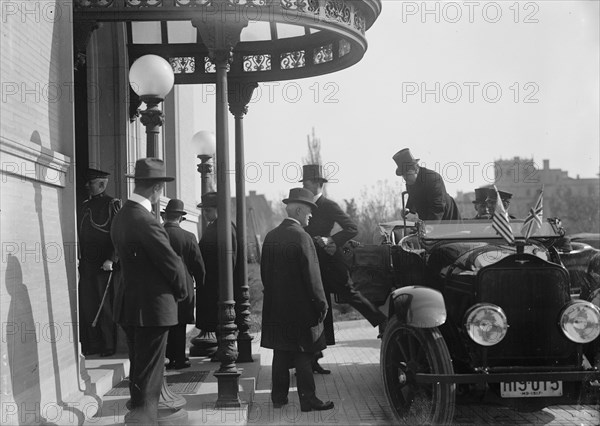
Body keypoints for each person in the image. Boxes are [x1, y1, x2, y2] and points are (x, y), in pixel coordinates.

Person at [110, 158, 187, 424]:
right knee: (151, 379)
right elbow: (172, 264)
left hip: (130, 307)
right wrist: (182, 292)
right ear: (156, 188)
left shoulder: (121, 216)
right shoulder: (146, 221)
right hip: (152, 310)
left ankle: (138, 420)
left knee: (140, 375)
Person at [301, 164, 386, 374]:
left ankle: (383, 323)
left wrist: (331, 239)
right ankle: (314, 357)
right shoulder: (304, 204)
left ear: (317, 184)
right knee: (318, 306)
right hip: (313, 262)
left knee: (349, 293)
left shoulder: (328, 205)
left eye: (307, 183)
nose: (304, 186)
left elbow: (352, 228)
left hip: (330, 260)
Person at [260, 187, 334, 412]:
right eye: (309, 210)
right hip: (302, 309)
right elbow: (313, 277)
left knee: (281, 352)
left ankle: (279, 398)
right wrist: (322, 304)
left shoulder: (271, 236)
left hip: (276, 307)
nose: (311, 215)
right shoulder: (303, 237)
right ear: (299, 210)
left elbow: (264, 274)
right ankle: (308, 400)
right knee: (304, 352)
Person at [78, 167, 121, 357]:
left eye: (92, 182)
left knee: (105, 309)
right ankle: (93, 344)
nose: (87, 185)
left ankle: (108, 345)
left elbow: (119, 236)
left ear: (102, 184)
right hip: (87, 265)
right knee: (88, 305)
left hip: (104, 266)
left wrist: (111, 258)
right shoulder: (85, 205)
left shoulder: (112, 205)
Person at [162, 199, 206, 370]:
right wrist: (201, 285)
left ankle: (166, 357)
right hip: (184, 286)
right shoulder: (188, 237)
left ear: (165, 217)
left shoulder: (157, 234)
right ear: (180, 218)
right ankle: (179, 358)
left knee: (165, 323)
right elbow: (198, 265)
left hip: (162, 287)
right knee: (180, 324)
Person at [195, 191, 237, 355]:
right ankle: (222, 347)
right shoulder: (215, 226)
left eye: (208, 211)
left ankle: (224, 349)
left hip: (219, 282)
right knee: (217, 318)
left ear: (218, 209)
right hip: (215, 281)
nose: (205, 214)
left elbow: (230, 257)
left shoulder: (224, 227)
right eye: (204, 211)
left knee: (221, 317)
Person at [392, 148, 461, 222]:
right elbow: (412, 200)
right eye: (403, 175)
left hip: (448, 220)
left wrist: (428, 228)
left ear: (415, 170)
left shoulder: (433, 179)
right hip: (429, 221)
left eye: (407, 174)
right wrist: (407, 211)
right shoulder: (410, 182)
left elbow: (438, 208)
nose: (405, 178)